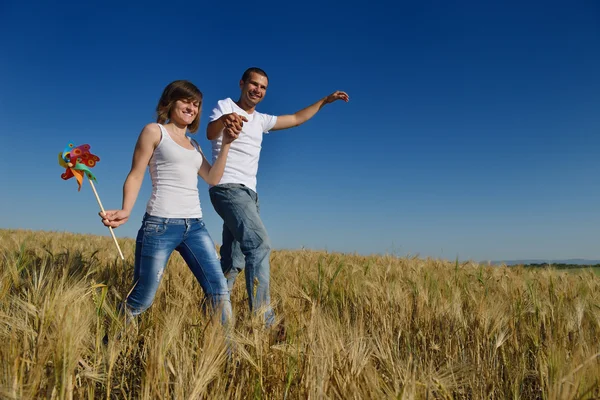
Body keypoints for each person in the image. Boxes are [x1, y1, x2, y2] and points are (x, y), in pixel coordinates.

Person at [207, 67, 349, 327]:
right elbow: (210, 132)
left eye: (263, 87)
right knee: (259, 246)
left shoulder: (260, 121)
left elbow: (295, 118)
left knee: (235, 259)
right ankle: (264, 320)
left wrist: (324, 102)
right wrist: (226, 119)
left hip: (249, 195)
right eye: (253, 84)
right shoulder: (225, 106)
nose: (258, 90)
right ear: (241, 83)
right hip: (228, 189)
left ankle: (214, 311)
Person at [100, 80, 236, 326]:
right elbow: (136, 173)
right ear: (170, 102)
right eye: (186, 101)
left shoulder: (194, 145)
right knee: (142, 299)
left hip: (195, 226)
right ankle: (110, 348)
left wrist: (226, 143)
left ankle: (228, 358)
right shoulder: (155, 131)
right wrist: (126, 209)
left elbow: (213, 178)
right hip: (160, 225)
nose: (191, 108)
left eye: (196, 105)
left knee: (220, 292)